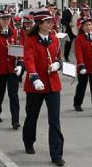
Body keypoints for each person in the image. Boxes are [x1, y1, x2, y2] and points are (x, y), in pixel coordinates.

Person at [22, 10, 65, 166]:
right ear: (40, 24)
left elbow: (59, 58)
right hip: (36, 85)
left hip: (53, 85)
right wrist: (34, 77)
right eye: (48, 22)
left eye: (51, 22)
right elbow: (29, 59)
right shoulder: (30, 40)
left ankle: (56, 153)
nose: (51, 24)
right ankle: (28, 141)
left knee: (54, 120)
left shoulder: (55, 39)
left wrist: (57, 64)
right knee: (32, 116)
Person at [0, 10, 23, 129]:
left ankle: (15, 120)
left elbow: (20, 50)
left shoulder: (15, 32)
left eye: (8, 19)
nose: (6, 21)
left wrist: (20, 64)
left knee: (13, 95)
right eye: (3, 19)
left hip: (12, 69)